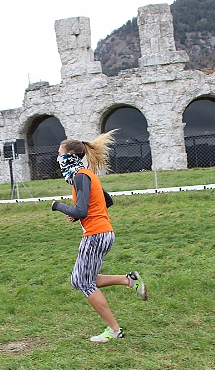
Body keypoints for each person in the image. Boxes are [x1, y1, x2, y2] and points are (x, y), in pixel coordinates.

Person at [51, 130, 147, 343]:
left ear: (69, 156)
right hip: (102, 233)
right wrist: (79, 214)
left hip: (96, 235)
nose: (57, 158)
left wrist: (58, 206)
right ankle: (129, 280)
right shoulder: (85, 175)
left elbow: (81, 211)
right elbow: (106, 201)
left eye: (59, 154)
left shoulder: (80, 176)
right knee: (80, 279)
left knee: (83, 282)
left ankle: (114, 330)